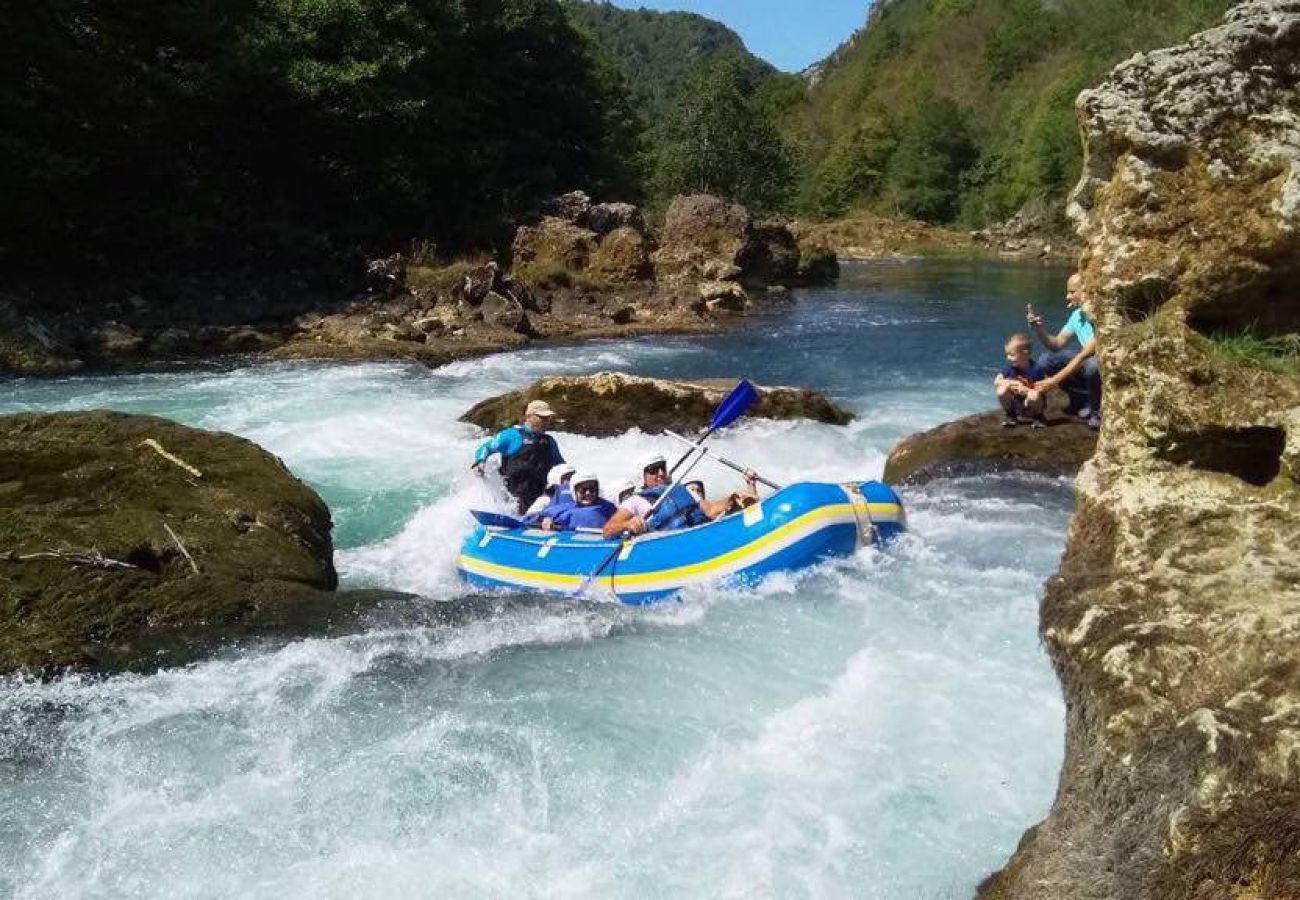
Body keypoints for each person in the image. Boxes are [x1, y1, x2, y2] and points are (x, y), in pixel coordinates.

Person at [1028, 273, 1101, 429]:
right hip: (1086, 361)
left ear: (1087, 290)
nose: (1068, 296)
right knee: (1046, 360)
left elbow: (1085, 354)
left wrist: (1053, 381)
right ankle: (1081, 400)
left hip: (1100, 364)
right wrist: (1039, 329)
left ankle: (1097, 411)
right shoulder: (1077, 315)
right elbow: (1056, 343)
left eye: (1072, 292)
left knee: (1092, 367)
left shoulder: (1101, 315)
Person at [471, 399, 564, 512]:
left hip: (539, 497)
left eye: (548, 418)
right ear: (529, 416)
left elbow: (561, 467)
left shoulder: (549, 441)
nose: (546, 422)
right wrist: (480, 462)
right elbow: (486, 447)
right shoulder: (511, 435)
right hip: (513, 497)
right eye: (542, 418)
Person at [994, 332, 1047, 428]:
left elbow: (1042, 390)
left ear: (1025, 354)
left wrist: (1026, 390)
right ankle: (1011, 415)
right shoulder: (1010, 367)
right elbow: (997, 381)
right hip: (1016, 403)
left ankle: (1038, 417)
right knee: (1001, 390)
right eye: (1007, 354)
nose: (1008, 358)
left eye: (1012, 355)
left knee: (1033, 395)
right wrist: (1010, 383)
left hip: (1032, 403)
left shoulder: (1036, 369)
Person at [548, 472, 617, 531]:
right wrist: (546, 519)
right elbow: (544, 514)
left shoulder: (608, 507)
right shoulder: (566, 507)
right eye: (583, 489)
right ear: (574, 491)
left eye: (592, 489)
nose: (588, 493)